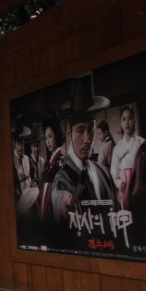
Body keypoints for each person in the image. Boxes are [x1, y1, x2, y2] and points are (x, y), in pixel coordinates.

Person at [52, 74, 117, 230]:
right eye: (80, 130)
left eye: (91, 130)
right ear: (70, 135)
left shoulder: (104, 173)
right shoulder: (62, 177)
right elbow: (59, 196)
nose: (87, 139)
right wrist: (63, 202)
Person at [110, 106, 144, 208]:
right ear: (121, 123)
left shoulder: (141, 142)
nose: (127, 122)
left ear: (134, 120)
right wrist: (119, 183)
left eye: (130, 118)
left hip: (140, 184)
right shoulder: (118, 147)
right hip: (125, 187)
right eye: (124, 119)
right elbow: (113, 171)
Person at [39, 116, 65, 224]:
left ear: (57, 136)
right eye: (46, 138)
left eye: (50, 137)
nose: (47, 142)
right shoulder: (52, 161)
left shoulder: (60, 161)